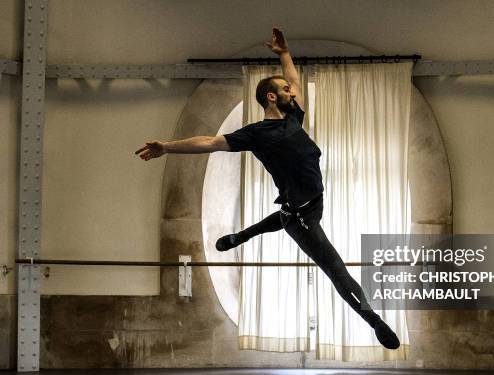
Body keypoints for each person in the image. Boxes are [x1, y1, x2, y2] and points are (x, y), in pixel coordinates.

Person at [135, 27, 400, 350]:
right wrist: (167, 147)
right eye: (285, 90)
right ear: (271, 96)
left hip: (310, 202)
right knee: (334, 267)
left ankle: (242, 236)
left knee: (286, 215)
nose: (293, 92)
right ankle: (374, 321)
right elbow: (209, 142)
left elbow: (296, 80)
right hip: (304, 215)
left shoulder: (293, 119)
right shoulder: (256, 133)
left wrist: (284, 54)